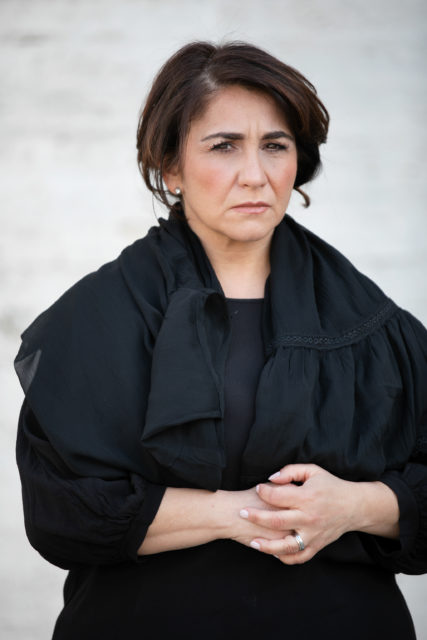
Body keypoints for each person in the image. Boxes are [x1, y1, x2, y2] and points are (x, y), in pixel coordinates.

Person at [15, 41, 427, 640]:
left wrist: (354, 506)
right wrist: (241, 514)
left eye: (275, 146)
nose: (255, 175)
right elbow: (62, 512)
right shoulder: (99, 317)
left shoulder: (372, 321)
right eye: (224, 146)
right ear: (170, 166)